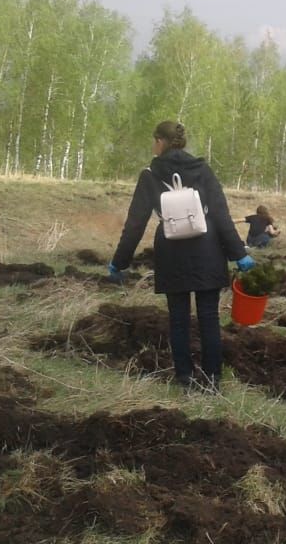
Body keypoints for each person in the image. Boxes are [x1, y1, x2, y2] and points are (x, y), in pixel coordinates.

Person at [110, 121, 254, 391]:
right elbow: (221, 215)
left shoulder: (150, 175)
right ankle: (212, 379)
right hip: (208, 248)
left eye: (154, 141)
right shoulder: (202, 170)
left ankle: (185, 378)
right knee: (209, 317)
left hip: (172, 250)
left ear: (160, 142)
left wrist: (120, 262)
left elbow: (135, 223)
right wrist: (238, 254)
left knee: (178, 318)